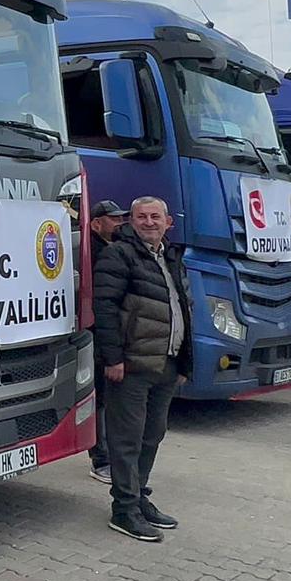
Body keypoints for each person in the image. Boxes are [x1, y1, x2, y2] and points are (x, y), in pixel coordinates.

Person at [92, 196, 192, 543]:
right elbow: (103, 308)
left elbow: (184, 309)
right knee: (127, 439)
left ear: (168, 222)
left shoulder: (171, 256)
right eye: (141, 216)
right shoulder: (117, 255)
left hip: (166, 362)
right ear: (130, 221)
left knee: (153, 435)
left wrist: (185, 362)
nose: (148, 222)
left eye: (155, 217)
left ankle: (139, 496)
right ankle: (124, 510)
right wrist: (113, 358)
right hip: (132, 365)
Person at [86, 199, 128, 485]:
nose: (119, 223)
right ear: (96, 223)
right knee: (99, 398)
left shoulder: (114, 250)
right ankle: (100, 459)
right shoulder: (91, 253)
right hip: (96, 334)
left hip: (110, 334)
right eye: (113, 219)